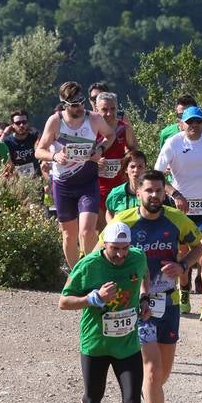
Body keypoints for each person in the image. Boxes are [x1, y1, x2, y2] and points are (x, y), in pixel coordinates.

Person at [99, 169, 202, 403]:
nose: (154, 195)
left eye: (159, 190)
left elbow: (199, 247)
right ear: (139, 193)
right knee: (153, 371)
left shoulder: (176, 219)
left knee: (162, 373)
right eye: (149, 191)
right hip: (137, 306)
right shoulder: (124, 222)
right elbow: (100, 253)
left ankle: (150, 396)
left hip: (168, 303)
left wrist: (183, 266)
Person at [59, 219, 151, 403]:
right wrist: (93, 298)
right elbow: (64, 301)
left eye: (125, 248)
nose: (121, 254)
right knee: (92, 399)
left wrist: (144, 299)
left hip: (128, 345)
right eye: (114, 249)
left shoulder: (137, 257)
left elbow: (144, 275)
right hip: (96, 345)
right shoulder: (88, 265)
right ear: (104, 245)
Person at [155, 105, 202, 323]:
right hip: (180, 205)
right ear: (182, 124)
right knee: (182, 252)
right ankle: (184, 290)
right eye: (190, 122)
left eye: (198, 121)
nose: (194, 126)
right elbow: (158, 174)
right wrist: (175, 194)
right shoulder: (173, 143)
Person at [35, 81, 115, 269]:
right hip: (63, 185)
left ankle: (92, 270)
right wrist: (55, 156)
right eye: (74, 105)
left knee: (87, 232)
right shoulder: (55, 121)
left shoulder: (94, 118)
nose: (79, 107)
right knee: (69, 235)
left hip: (87, 182)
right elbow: (39, 151)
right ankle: (76, 274)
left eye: (81, 102)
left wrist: (100, 148)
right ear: (64, 104)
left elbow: (110, 135)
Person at [93, 92, 137, 227]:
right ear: (96, 109)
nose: (109, 113)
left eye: (112, 109)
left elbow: (135, 152)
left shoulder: (124, 128)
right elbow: (82, 156)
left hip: (119, 185)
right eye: (104, 109)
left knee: (121, 226)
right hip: (96, 186)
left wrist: (126, 159)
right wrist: (94, 161)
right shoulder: (91, 129)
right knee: (101, 230)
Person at [106, 150, 147, 223]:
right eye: (132, 166)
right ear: (126, 169)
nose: (136, 170)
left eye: (140, 166)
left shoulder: (151, 192)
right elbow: (109, 212)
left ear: (145, 169)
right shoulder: (116, 193)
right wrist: (112, 226)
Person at [2, 110, 42, 179]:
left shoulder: (34, 138)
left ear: (28, 123)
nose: (21, 125)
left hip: (36, 179)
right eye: (18, 123)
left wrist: (37, 132)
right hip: (17, 181)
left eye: (24, 122)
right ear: (12, 125)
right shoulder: (8, 141)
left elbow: (45, 145)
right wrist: (4, 134)